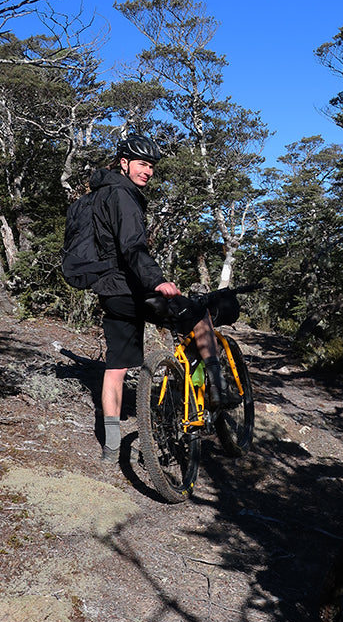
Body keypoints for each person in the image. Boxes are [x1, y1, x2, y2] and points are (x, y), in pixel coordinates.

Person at [89, 134, 238, 464]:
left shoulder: (99, 193)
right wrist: (158, 281)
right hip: (134, 290)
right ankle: (217, 391)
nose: (148, 172)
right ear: (123, 162)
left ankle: (111, 449)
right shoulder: (124, 196)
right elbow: (132, 248)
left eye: (152, 166)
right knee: (199, 318)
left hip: (110, 293)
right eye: (143, 164)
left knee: (114, 368)